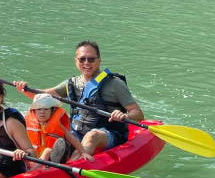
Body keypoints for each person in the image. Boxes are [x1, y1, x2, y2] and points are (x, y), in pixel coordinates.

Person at [13, 40, 143, 157]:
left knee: (92, 136)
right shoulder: (72, 83)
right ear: (76, 61)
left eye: (91, 59)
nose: (86, 63)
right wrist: (24, 89)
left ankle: (72, 168)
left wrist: (125, 117)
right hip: (76, 132)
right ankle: (46, 163)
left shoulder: (115, 84)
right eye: (82, 59)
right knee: (54, 135)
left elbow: (137, 113)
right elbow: (42, 96)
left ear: (99, 60)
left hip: (108, 134)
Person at [24, 93, 93, 167]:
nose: (42, 112)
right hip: (35, 155)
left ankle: (34, 170)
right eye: (39, 109)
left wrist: (83, 152)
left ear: (52, 110)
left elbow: (71, 137)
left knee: (48, 150)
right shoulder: (27, 123)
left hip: (53, 156)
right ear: (33, 111)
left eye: (46, 109)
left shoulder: (58, 124)